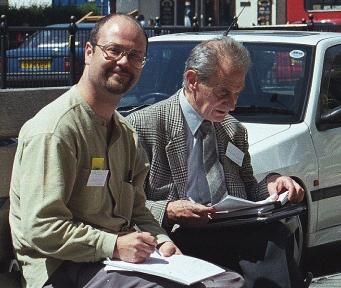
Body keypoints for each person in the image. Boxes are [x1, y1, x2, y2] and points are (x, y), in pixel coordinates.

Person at [9, 15, 245, 288]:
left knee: (228, 282)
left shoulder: (124, 132)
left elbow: (137, 209)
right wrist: (114, 244)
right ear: (89, 53)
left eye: (135, 56)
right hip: (62, 268)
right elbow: (41, 229)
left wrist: (163, 242)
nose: (124, 62)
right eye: (114, 50)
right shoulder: (56, 130)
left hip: (114, 261)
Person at [127, 37, 309, 288]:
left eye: (237, 94)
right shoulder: (143, 127)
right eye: (223, 93)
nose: (233, 104)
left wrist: (273, 183)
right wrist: (169, 210)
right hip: (177, 234)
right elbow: (124, 203)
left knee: (273, 236)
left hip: (230, 228)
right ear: (193, 81)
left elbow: (248, 189)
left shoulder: (232, 130)